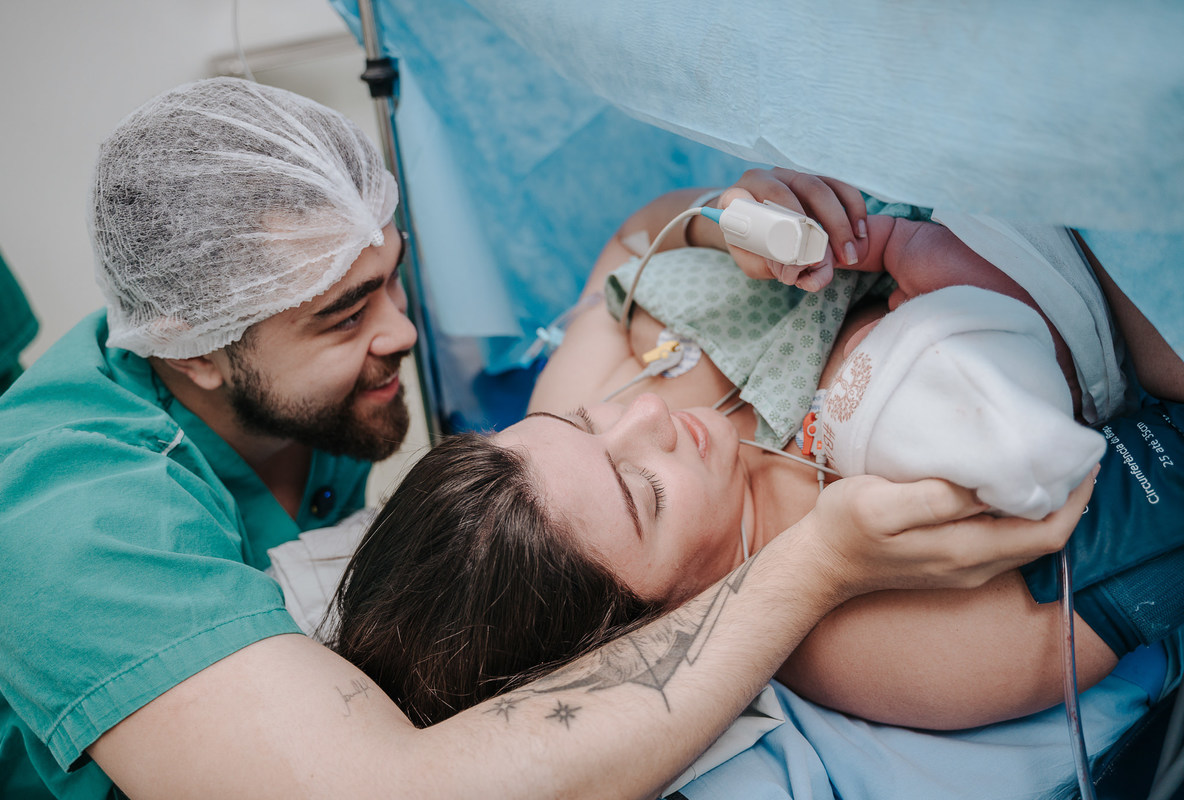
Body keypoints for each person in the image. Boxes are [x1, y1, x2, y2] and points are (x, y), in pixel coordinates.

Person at [0, 78, 1083, 800]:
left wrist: (720, 219)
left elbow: (635, 252)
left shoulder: (297, 399)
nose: (404, 334)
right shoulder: (74, 518)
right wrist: (815, 562)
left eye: (387, 276)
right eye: (340, 316)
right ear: (195, 355)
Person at [327, 173, 1182, 740]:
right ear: (647, 628)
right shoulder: (868, 639)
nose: (651, 418)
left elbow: (637, 241)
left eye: (591, 425)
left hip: (959, 152)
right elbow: (1159, 488)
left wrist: (730, 219)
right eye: (643, 494)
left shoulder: (550, 468)